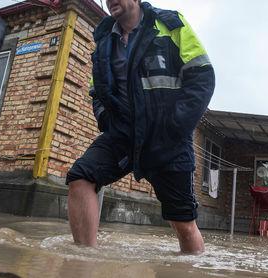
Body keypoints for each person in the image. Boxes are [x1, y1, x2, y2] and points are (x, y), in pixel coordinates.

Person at [66, 0, 215, 254]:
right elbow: (96, 90)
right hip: (122, 134)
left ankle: (191, 269)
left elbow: (202, 77)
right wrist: (106, 120)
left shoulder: (170, 24)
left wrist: (174, 126)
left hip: (167, 138)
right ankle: (83, 261)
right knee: (81, 178)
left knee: (184, 224)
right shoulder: (104, 38)